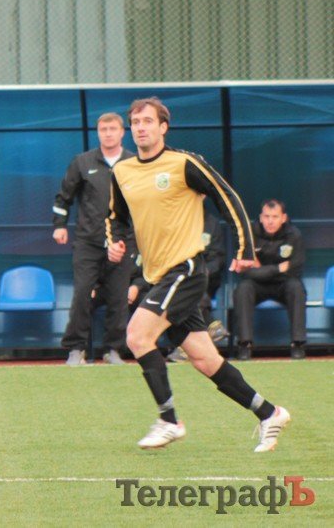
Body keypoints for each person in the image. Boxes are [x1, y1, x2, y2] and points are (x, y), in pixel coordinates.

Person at [107, 97, 290, 452]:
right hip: (159, 275)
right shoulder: (123, 172)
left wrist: (244, 250)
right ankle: (270, 413)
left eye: (147, 121)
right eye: (135, 122)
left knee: (137, 336)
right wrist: (114, 242)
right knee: (205, 360)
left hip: (186, 270)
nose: (140, 127)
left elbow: (228, 198)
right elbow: (116, 217)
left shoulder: (184, 163)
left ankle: (169, 420)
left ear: (163, 127)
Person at [52, 112, 135, 366]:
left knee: (119, 297)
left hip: (122, 243)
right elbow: (63, 197)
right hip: (88, 242)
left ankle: (113, 350)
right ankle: (76, 349)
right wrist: (59, 225)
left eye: (112, 129)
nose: (108, 133)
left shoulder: (134, 163)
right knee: (82, 294)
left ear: (122, 132)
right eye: (103, 129)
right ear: (97, 133)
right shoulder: (82, 161)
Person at [232, 199, 307, 360]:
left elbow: (295, 269)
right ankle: (245, 344)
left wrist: (261, 269)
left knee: (297, 288)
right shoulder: (250, 234)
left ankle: (298, 344)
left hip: (284, 284)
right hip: (257, 285)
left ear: (283, 218)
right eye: (266, 216)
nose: (270, 221)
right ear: (260, 217)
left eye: (275, 216)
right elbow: (247, 272)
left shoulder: (294, 235)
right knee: (243, 288)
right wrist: (278, 268)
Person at [164, 209, 230, 363]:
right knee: (186, 286)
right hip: (180, 274)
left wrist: (203, 271)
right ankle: (211, 326)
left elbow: (218, 258)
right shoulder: (176, 218)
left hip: (207, 276)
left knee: (192, 285)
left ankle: (186, 347)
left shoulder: (211, 222)